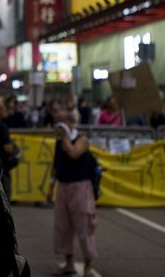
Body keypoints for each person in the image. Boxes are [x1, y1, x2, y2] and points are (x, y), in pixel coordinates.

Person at [46, 103, 98, 277]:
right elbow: (56, 165)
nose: (56, 126)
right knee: (63, 227)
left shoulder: (81, 139)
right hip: (63, 187)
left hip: (80, 187)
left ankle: (88, 266)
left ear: (68, 123)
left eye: (59, 122)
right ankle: (69, 263)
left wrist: (64, 137)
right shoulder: (59, 142)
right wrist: (51, 187)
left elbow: (73, 154)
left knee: (85, 227)